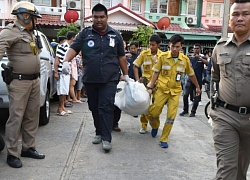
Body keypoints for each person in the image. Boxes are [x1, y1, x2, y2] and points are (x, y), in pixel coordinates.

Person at [61, 3, 129, 152]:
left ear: (106, 17)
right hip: (90, 79)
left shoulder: (115, 35)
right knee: (94, 107)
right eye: (96, 17)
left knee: (106, 107)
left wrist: (126, 75)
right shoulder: (85, 34)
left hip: (109, 79)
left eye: (102, 17)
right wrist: (66, 61)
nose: (99, 20)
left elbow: (121, 56)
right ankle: (98, 131)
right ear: (92, 17)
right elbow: (74, 48)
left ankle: (106, 138)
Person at [0, 1, 45, 168]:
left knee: (32, 116)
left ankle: (28, 148)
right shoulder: (9, 32)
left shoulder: (31, 33)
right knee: (16, 118)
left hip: (34, 80)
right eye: (34, 17)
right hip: (19, 82)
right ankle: (12, 154)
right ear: (25, 16)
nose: (36, 21)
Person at [210, 1, 250, 179]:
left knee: (241, 172)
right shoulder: (220, 47)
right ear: (229, 18)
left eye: (246, 14)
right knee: (227, 170)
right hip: (225, 116)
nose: (240, 18)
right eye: (235, 14)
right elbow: (214, 77)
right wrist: (213, 107)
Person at [146, 34, 201, 148]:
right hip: (161, 89)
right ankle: (155, 125)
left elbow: (191, 74)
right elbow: (155, 72)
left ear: (181, 47)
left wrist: (197, 87)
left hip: (175, 92)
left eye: (177, 47)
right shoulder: (163, 57)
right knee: (154, 112)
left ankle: (164, 138)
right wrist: (150, 86)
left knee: (171, 116)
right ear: (169, 45)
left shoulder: (185, 60)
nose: (174, 49)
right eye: (172, 46)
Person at [133, 34, 162, 134]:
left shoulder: (163, 56)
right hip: (145, 84)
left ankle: (155, 125)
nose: (151, 47)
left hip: (158, 85)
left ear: (158, 45)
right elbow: (135, 66)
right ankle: (144, 125)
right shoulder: (144, 54)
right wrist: (137, 81)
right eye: (150, 44)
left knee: (156, 107)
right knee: (144, 105)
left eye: (153, 45)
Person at [179, 44, 208, 117]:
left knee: (197, 97)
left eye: (197, 48)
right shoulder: (191, 58)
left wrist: (200, 59)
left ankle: (193, 111)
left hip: (198, 80)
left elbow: (208, 64)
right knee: (185, 95)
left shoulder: (202, 57)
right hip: (189, 79)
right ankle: (185, 110)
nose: (195, 50)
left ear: (200, 49)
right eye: (194, 48)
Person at [54, 31, 76, 116]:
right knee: (61, 91)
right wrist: (56, 72)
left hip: (66, 72)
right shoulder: (62, 46)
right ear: (73, 38)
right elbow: (57, 59)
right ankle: (60, 108)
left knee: (65, 90)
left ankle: (63, 107)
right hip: (61, 72)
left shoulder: (69, 47)